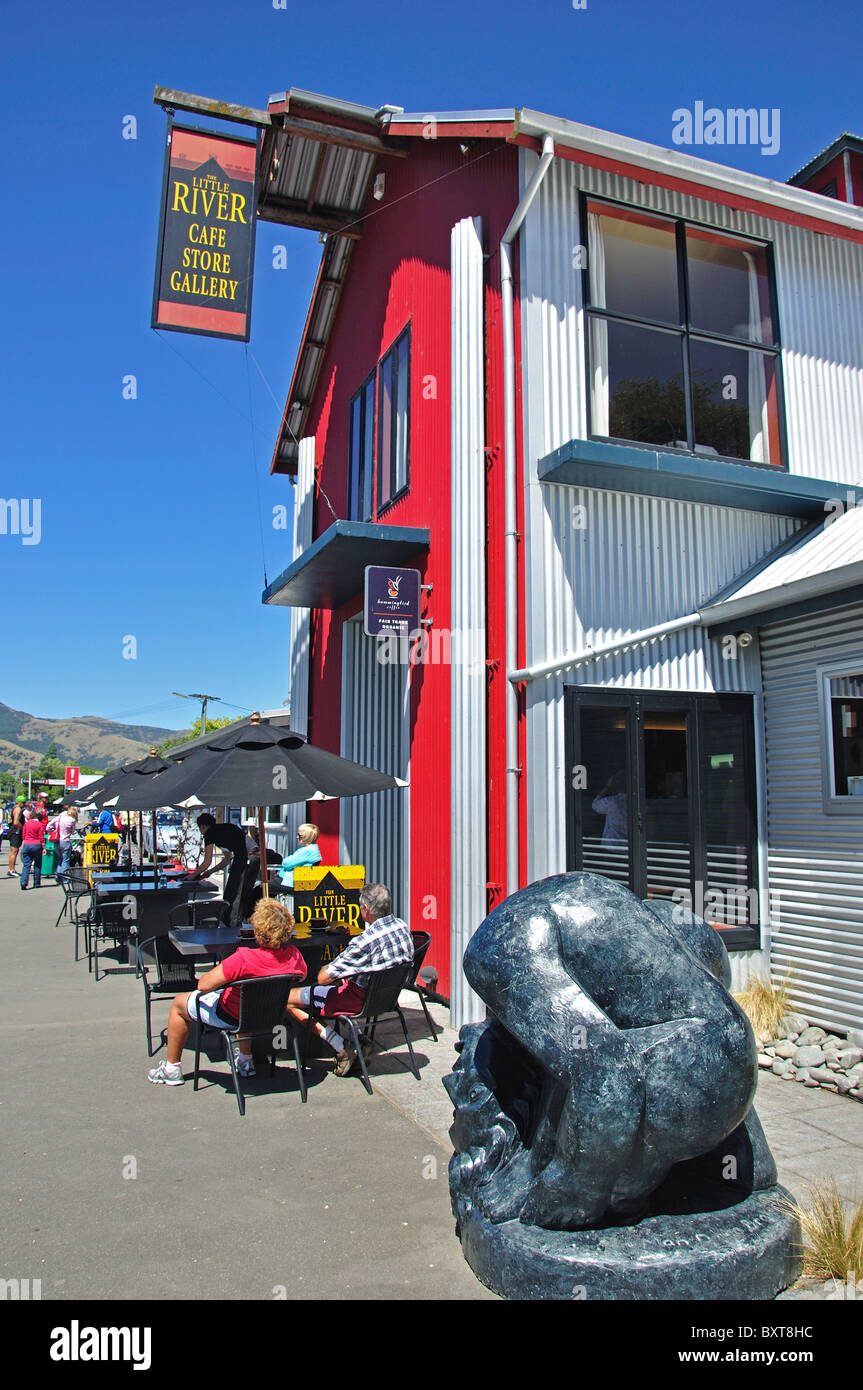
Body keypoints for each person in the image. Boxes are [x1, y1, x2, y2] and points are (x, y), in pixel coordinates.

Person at [147, 898, 306, 1086]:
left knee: (179, 1004)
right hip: (271, 1014)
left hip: (232, 1016)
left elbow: (203, 985)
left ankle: (171, 1069)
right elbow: (302, 977)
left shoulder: (244, 957)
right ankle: (245, 1063)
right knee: (247, 1002)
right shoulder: (294, 955)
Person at [287, 882, 413, 1076]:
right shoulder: (403, 927)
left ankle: (341, 1047)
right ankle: (359, 1040)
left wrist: (330, 967)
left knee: (287, 1000)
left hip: (359, 1001)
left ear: (365, 909)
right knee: (345, 983)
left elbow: (322, 978)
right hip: (387, 998)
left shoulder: (365, 941)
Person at [190, 814, 248, 927]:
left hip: (243, 860)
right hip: (244, 858)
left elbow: (207, 861)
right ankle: (229, 923)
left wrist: (193, 875)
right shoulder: (222, 831)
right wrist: (210, 872)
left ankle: (230, 925)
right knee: (231, 896)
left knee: (231, 897)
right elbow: (227, 859)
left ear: (202, 826)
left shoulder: (210, 833)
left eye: (199, 828)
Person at [278, 823, 322, 889]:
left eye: (299, 835)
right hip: (297, 880)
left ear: (306, 837)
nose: (297, 837)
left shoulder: (306, 851)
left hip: (290, 881)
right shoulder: (314, 850)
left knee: (261, 889)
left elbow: (286, 863)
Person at [49, 805, 78, 885]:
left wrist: (51, 832)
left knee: (60, 859)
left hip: (57, 840)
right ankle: (64, 878)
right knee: (65, 860)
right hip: (65, 841)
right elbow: (72, 832)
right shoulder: (72, 820)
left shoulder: (59, 818)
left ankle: (58, 876)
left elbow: (49, 826)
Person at [19, 807, 46, 890]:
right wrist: (44, 847)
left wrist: (25, 840)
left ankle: (24, 882)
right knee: (37, 864)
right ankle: (36, 883)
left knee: (26, 865)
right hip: (37, 845)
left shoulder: (27, 823)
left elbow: (23, 835)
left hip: (27, 844)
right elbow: (41, 837)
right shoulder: (40, 825)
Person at [6, 796, 26, 877]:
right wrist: (23, 828)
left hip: (13, 831)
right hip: (15, 832)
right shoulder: (18, 809)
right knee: (14, 851)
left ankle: (11, 869)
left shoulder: (14, 808)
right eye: (23, 803)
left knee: (14, 851)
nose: (24, 804)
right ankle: (11, 870)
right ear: (19, 802)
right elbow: (16, 822)